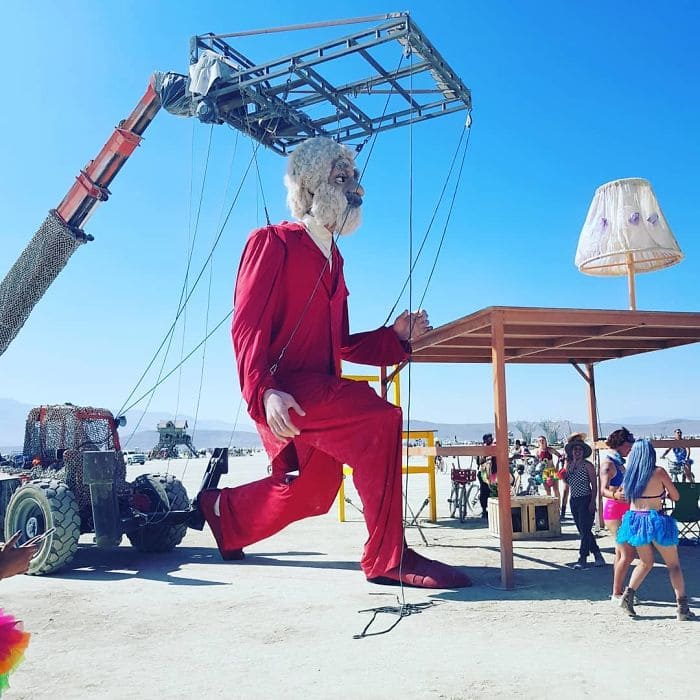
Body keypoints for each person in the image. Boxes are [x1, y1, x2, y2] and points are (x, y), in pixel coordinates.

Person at [196, 136, 471, 589]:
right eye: (341, 178)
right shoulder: (272, 242)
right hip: (286, 389)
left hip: (320, 390)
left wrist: (395, 337)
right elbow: (245, 328)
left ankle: (225, 515)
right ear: (311, 186)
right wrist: (263, 392)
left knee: (316, 492)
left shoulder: (334, 260)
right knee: (380, 419)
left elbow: (341, 343)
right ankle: (388, 558)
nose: (354, 188)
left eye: (354, 177)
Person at [616, 439, 695, 620]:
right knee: (673, 565)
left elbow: (623, 495)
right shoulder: (658, 472)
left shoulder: (630, 474)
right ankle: (682, 608)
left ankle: (627, 597)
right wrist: (662, 494)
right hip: (656, 520)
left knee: (645, 562)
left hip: (636, 520)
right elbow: (676, 496)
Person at [599, 428, 635, 602]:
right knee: (628, 553)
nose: (630, 449)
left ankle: (618, 590)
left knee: (621, 553)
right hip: (614, 511)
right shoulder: (609, 464)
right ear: (620, 444)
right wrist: (615, 495)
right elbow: (603, 490)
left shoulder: (619, 462)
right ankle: (616, 592)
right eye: (628, 445)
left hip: (624, 509)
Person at [564, 437, 605, 569]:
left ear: (583, 452)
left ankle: (582, 558)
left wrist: (592, 502)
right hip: (574, 499)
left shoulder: (588, 465)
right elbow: (567, 481)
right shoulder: (570, 465)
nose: (577, 452)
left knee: (585, 529)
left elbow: (594, 485)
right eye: (575, 449)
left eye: (580, 449)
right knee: (583, 530)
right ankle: (597, 554)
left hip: (585, 499)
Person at [534, 435, 562, 500]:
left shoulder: (550, 449)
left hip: (552, 471)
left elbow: (559, 456)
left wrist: (558, 465)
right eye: (540, 441)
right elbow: (536, 462)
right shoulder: (537, 451)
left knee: (556, 489)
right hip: (544, 472)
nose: (541, 442)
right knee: (547, 491)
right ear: (538, 442)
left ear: (546, 441)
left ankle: (558, 505)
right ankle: (549, 505)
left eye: (543, 440)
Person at [476, 433, 496, 519]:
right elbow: (479, 461)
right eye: (489, 438)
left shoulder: (493, 447)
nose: (490, 440)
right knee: (485, 491)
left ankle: (489, 509)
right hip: (484, 473)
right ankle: (484, 510)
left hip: (491, 472)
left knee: (490, 490)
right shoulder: (484, 448)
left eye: (491, 438)